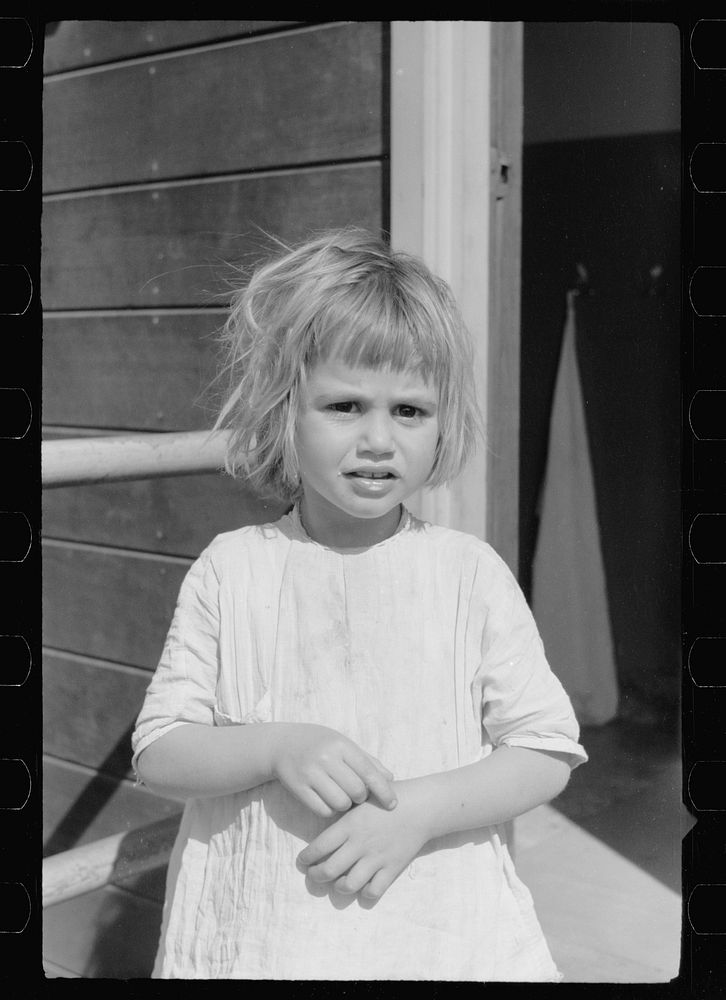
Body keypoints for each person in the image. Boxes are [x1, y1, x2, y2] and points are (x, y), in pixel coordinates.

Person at [131, 228, 587, 981]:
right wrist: (276, 747)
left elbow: (544, 751)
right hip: (266, 939)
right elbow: (160, 751)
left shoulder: (467, 575)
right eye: (345, 404)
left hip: (436, 934)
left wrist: (419, 809)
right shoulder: (233, 570)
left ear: (443, 424)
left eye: (410, 411)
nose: (379, 439)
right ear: (285, 411)